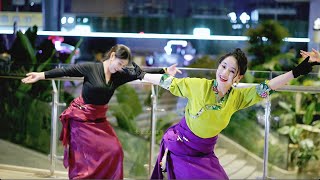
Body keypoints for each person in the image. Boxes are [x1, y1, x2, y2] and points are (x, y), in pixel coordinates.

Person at [138, 48, 320, 179]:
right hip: (182, 149)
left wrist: (298, 71)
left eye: (231, 70)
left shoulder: (238, 98)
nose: (224, 72)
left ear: (238, 77)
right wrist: (140, 74)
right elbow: (168, 82)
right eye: (223, 66)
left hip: (204, 154)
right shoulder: (199, 86)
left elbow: (269, 87)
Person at [21, 44, 181, 179]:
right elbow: (65, 71)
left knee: (115, 150)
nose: (121, 68)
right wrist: (40, 75)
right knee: (84, 161)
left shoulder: (119, 75)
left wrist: (165, 70)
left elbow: (142, 75)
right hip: (81, 120)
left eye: (123, 65)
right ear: (112, 56)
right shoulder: (90, 68)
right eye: (119, 63)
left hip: (99, 121)